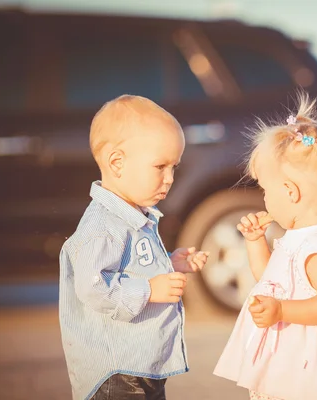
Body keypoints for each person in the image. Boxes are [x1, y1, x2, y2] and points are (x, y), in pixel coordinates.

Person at [59, 95, 209, 400]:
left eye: (174, 168)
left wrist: (170, 263)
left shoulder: (134, 215)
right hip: (119, 372)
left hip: (141, 362)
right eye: (160, 166)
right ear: (117, 163)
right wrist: (150, 290)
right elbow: (92, 286)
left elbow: (131, 266)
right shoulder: (103, 227)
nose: (169, 179)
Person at [214, 93, 317, 400]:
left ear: (290, 191)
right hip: (282, 369)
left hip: (299, 377)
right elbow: (270, 280)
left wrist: (281, 311)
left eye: (264, 190)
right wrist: (255, 242)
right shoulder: (297, 237)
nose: (264, 199)